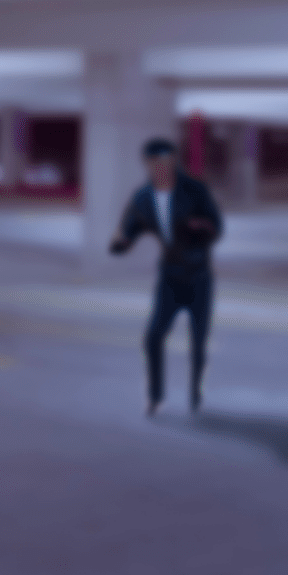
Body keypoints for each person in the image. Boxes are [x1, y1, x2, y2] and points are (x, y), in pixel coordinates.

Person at [109, 137, 223, 416]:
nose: (161, 167)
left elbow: (217, 227)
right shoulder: (142, 197)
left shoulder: (194, 190)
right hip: (170, 277)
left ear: (173, 161)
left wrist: (201, 228)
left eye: (166, 161)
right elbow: (130, 229)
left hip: (199, 277)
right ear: (147, 164)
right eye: (154, 162)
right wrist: (122, 243)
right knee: (152, 338)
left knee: (198, 342)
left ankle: (195, 394)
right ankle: (155, 397)